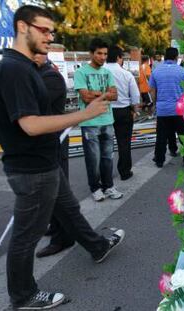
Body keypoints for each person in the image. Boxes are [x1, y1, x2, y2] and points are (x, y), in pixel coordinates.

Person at [0, 5, 125, 310]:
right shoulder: (14, 69)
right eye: (44, 30)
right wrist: (84, 114)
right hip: (31, 169)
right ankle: (23, 295)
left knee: (69, 210)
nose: (50, 37)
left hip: (44, 164)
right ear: (23, 27)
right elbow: (31, 124)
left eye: (52, 31)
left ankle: (98, 245)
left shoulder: (25, 67)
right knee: (28, 235)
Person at [33, 54, 75, 258]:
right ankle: (58, 227)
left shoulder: (50, 77)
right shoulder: (38, 74)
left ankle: (62, 236)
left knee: (57, 190)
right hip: (45, 141)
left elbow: (33, 106)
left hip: (53, 141)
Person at [74, 38, 123, 202]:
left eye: (105, 54)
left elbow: (115, 96)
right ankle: (95, 188)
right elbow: (86, 97)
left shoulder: (107, 73)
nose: (103, 57)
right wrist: (104, 94)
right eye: (99, 53)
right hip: (89, 123)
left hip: (107, 120)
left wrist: (96, 93)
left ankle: (108, 186)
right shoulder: (81, 72)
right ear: (91, 54)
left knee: (108, 157)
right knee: (93, 159)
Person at [105, 46, 140, 181]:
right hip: (123, 111)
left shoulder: (101, 72)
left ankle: (105, 175)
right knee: (123, 143)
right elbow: (135, 96)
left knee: (104, 144)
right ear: (119, 58)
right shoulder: (126, 74)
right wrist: (134, 111)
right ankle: (125, 172)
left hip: (105, 111)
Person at [149, 47, 184, 168]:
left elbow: (152, 91)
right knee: (183, 136)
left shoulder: (156, 71)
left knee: (161, 136)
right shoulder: (183, 71)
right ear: (176, 58)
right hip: (180, 109)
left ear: (165, 57)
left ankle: (159, 160)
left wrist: (155, 104)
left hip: (163, 109)